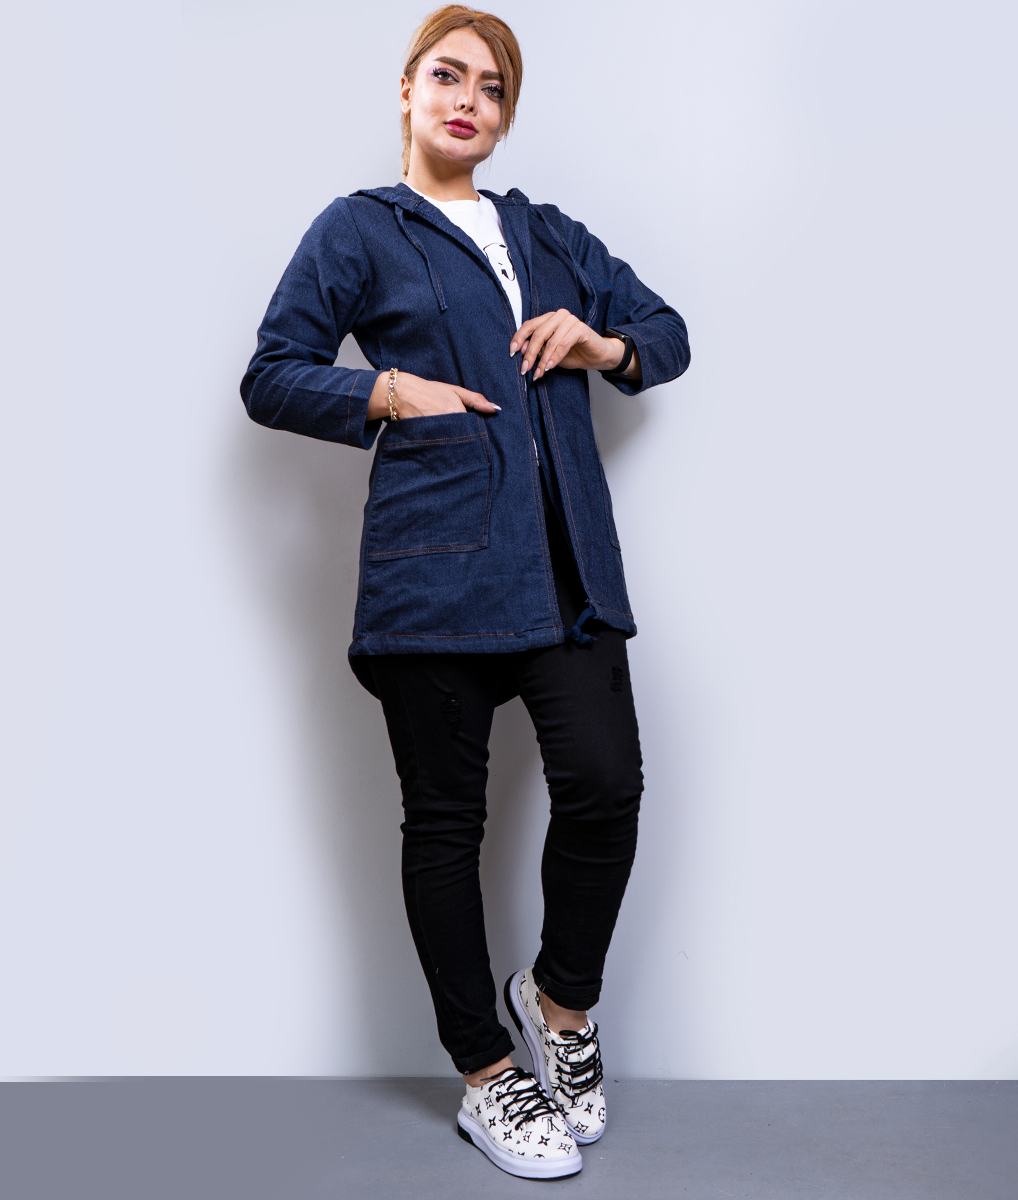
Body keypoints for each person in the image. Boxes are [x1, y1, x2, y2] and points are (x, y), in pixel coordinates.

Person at [241, 4, 689, 1180]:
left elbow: (666, 332)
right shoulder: (360, 229)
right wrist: (386, 393)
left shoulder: (545, 233)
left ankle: (560, 1005)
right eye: (449, 76)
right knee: (445, 825)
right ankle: (488, 1077)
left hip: (565, 572)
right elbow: (273, 373)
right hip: (432, 573)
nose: (469, 102)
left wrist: (599, 345)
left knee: (607, 784)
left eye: (493, 90)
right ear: (407, 89)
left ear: (505, 116)